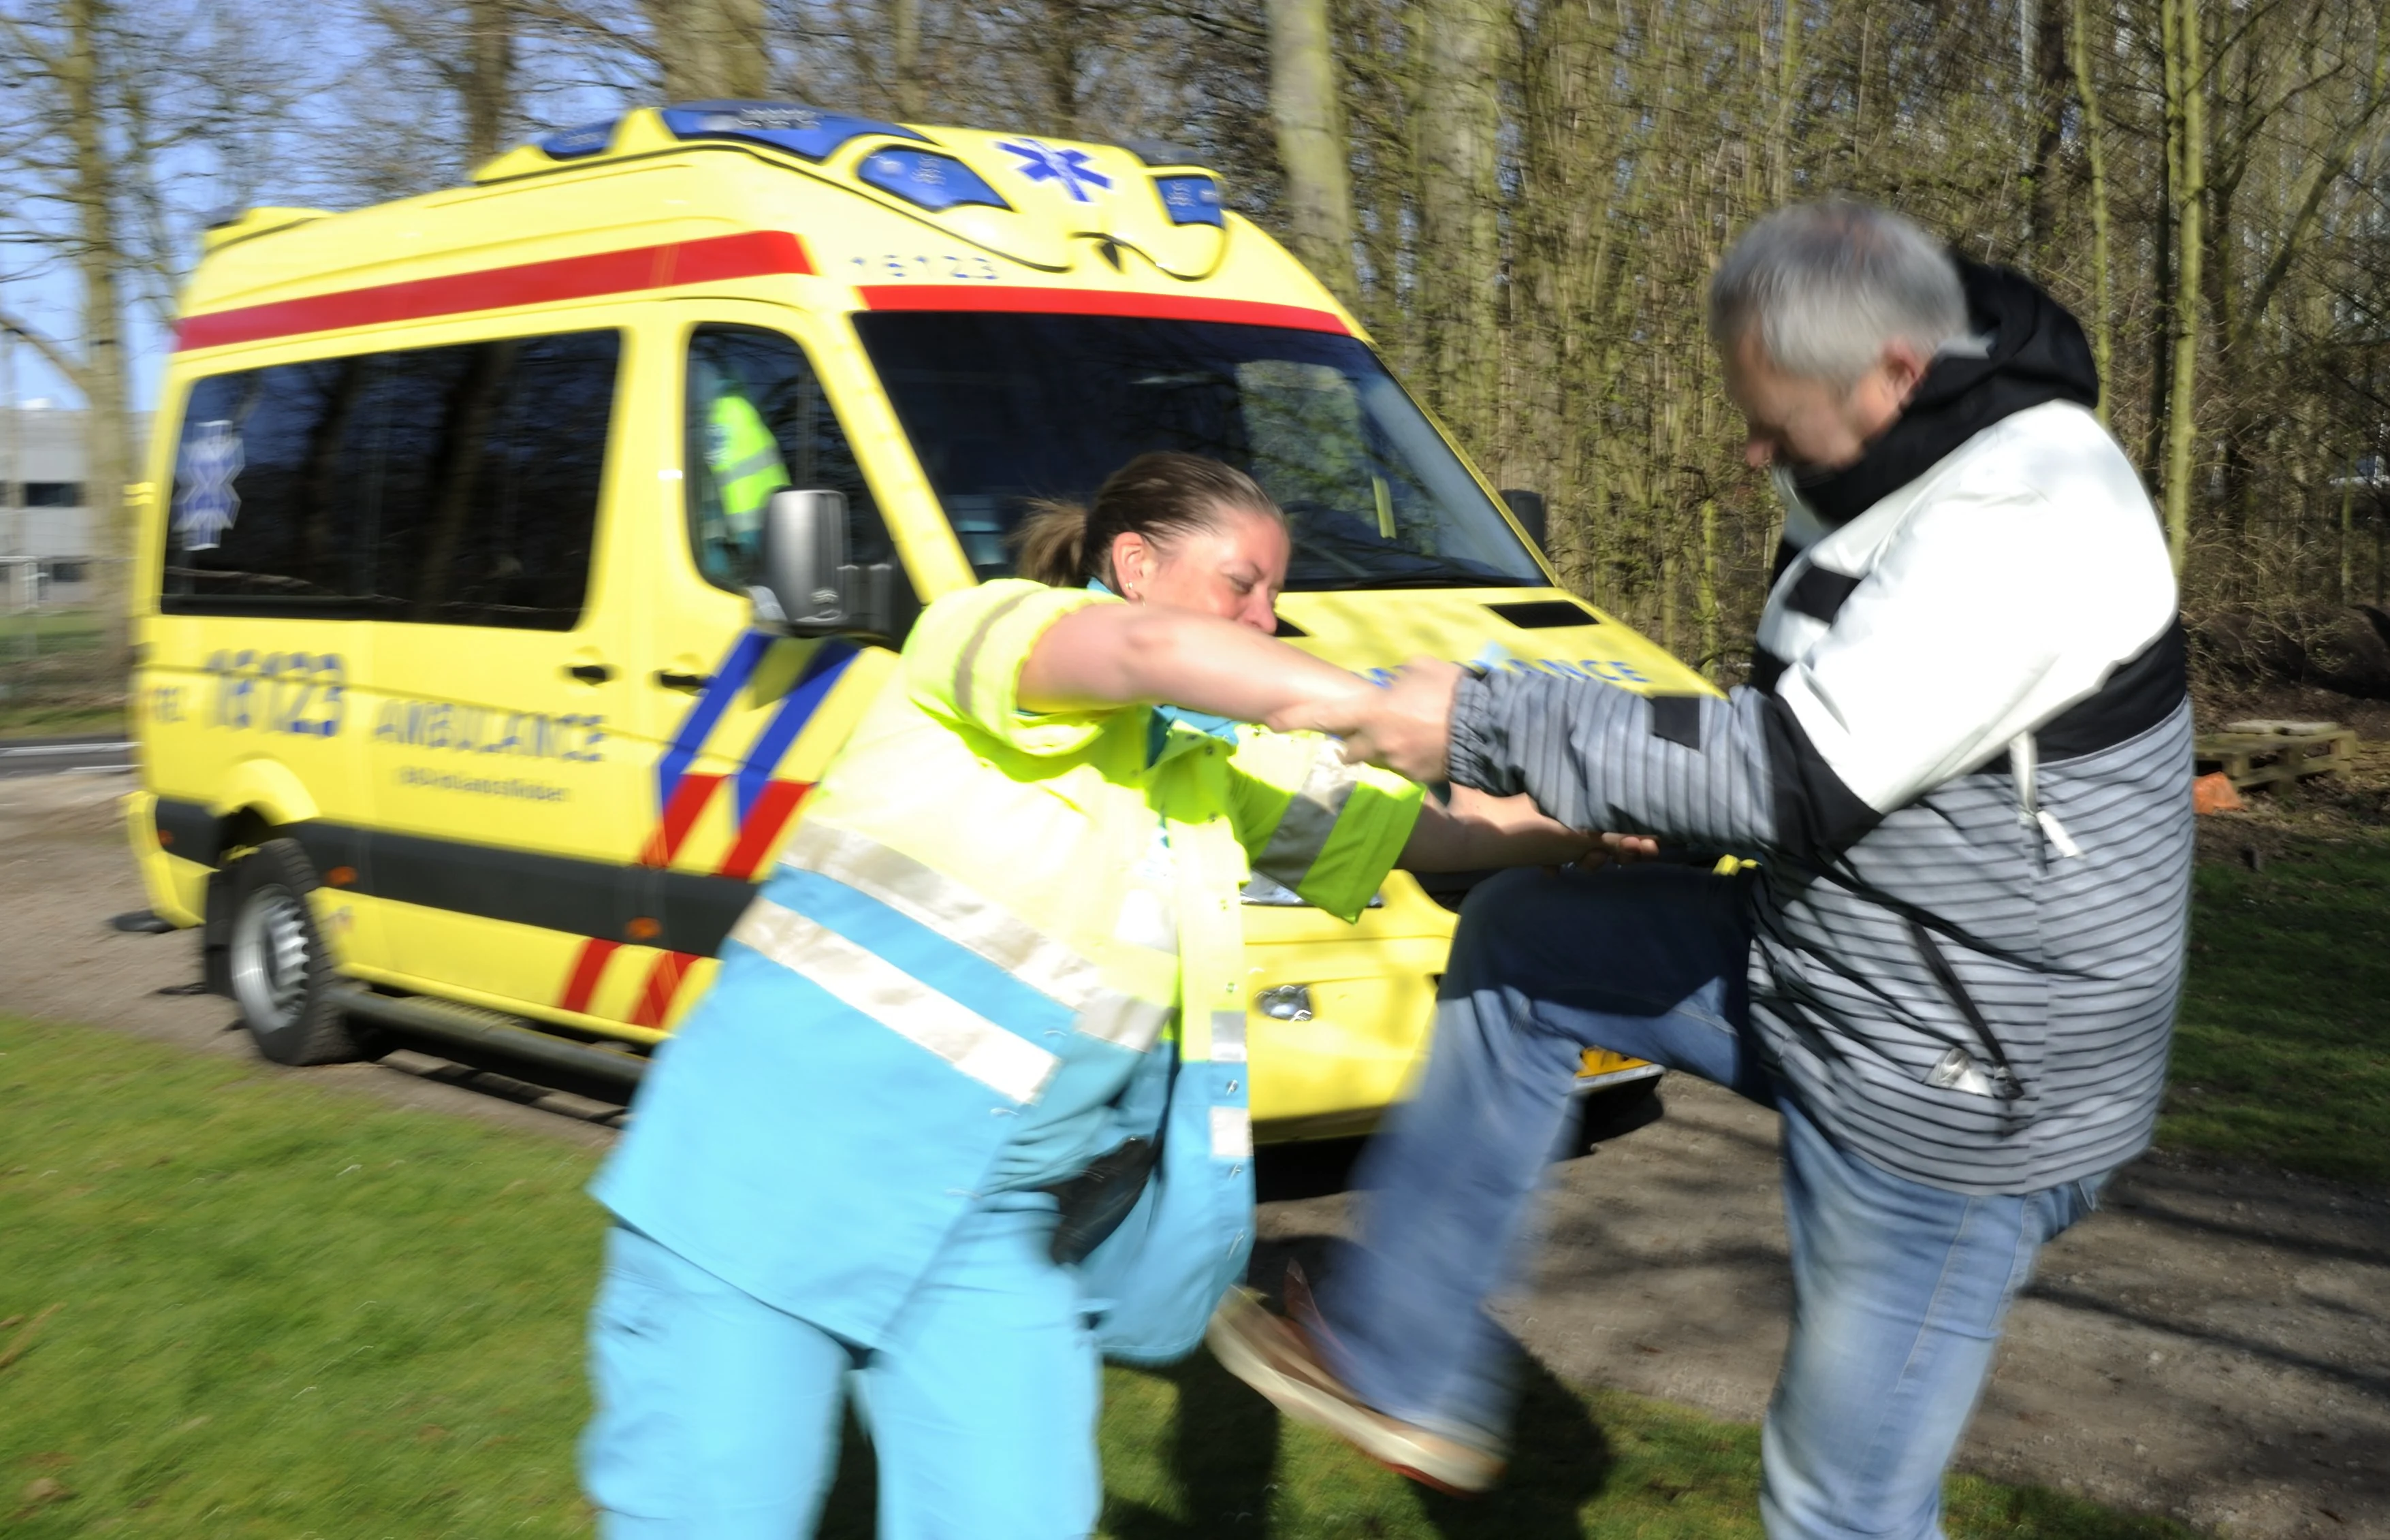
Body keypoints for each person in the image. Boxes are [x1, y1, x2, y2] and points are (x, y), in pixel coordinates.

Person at [1208, 202, 2190, 1540]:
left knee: (1839, 1507)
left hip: (1964, 1090)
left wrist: (1485, 721)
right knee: (1527, 949)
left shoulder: (2032, 514)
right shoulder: (1877, 454)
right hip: (1832, 972)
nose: (1753, 449)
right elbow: (1816, 741)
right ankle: (1403, 1366)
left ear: (1896, 369)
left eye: (1773, 419)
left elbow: (1790, 772)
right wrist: (1628, 826)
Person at [579, 451, 1601, 1539]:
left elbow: (1432, 827)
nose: (1266, 619)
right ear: (1131, 561)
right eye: (1240, 585)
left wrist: (1607, 816)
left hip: (990, 1225)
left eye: (1274, 595)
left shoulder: (1215, 762)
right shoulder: (990, 631)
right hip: (768, 1173)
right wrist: (1398, 704)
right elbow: (1149, 649)